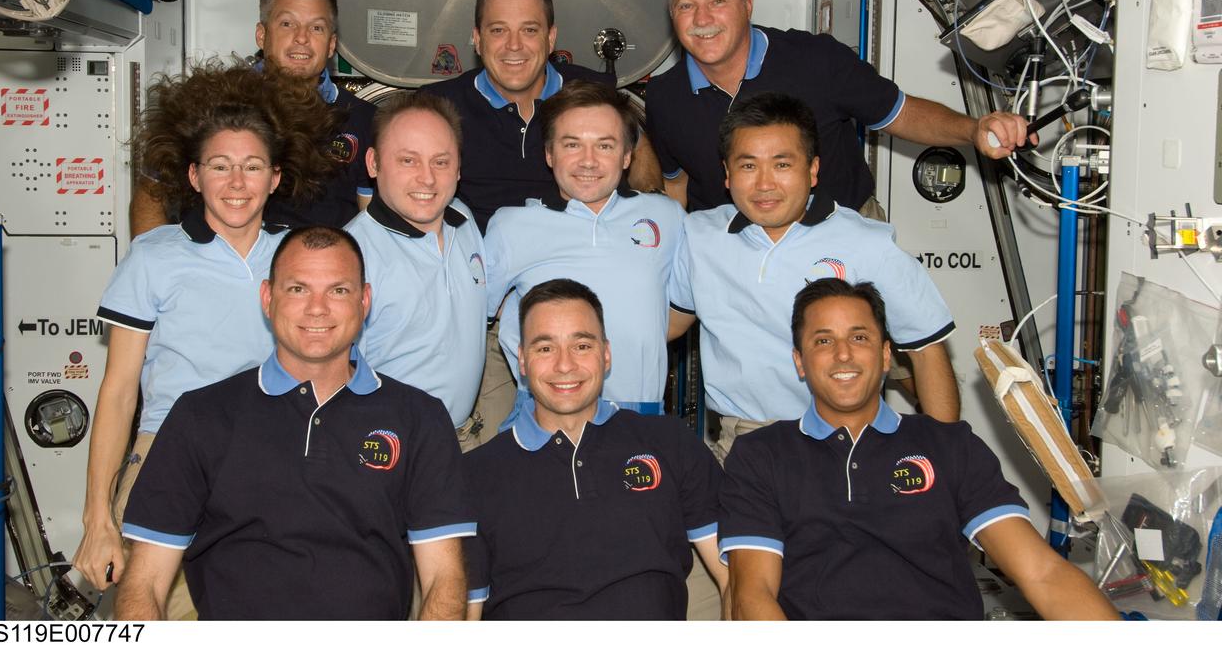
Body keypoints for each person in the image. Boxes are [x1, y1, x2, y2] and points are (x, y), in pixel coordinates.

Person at [72, 67, 335, 615]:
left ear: (275, 177)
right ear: (193, 176)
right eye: (220, 166)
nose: (236, 183)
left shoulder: (301, 256)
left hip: (279, 460)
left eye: (252, 167)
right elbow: (119, 391)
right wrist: (98, 518)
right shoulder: (154, 257)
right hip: (168, 457)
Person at [115, 227, 473, 620]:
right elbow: (144, 583)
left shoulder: (419, 418)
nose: (317, 308)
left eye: (338, 290)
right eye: (298, 289)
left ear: (365, 300)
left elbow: (444, 579)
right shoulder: (201, 416)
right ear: (268, 298)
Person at [719, 278, 1120, 620]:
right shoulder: (760, 455)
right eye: (823, 340)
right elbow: (752, 598)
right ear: (800, 361)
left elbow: (1043, 574)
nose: (843, 354)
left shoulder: (949, 446)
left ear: (885, 354)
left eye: (859, 337)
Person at [669, 92, 959, 461]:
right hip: (741, 444)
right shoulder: (699, 237)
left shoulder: (867, 243)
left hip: (846, 444)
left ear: (813, 169)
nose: (764, 184)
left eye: (782, 165)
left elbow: (927, 350)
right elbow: (668, 324)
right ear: (727, 174)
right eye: (747, 166)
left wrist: (944, 464)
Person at [638, 0, 1029, 214]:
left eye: (717, 1)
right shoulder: (664, 98)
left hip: (842, 240)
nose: (702, 20)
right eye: (686, 5)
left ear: (747, 4)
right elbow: (677, 187)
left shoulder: (816, 60)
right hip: (737, 257)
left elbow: (901, 114)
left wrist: (973, 129)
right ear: (673, 15)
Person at [421, 0, 617, 450]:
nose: (514, 45)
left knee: (590, 454)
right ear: (476, 37)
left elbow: (640, 177)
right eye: (497, 30)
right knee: (492, 457)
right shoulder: (442, 109)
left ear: (551, 38)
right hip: (485, 322)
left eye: (529, 29)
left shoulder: (589, 95)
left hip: (584, 316)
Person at [463, 279, 728, 620]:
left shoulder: (668, 441)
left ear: (606, 354)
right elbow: (465, 614)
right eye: (545, 348)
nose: (564, 365)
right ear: (523, 361)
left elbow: (732, 574)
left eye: (582, 346)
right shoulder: (475, 474)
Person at [484, 80, 685, 415]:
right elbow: (476, 312)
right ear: (549, 154)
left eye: (605, 146)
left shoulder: (666, 217)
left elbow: (680, 312)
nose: (588, 161)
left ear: (626, 155)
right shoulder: (510, 226)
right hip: (545, 414)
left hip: (641, 415)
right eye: (572, 145)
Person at [130, 0, 375, 233]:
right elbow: (152, 192)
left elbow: (372, 221)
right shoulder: (209, 102)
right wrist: (155, 266)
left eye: (317, 28)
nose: (302, 38)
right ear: (261, 35)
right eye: (287, 24)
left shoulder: (362, 119)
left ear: (331, 44)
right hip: (219, 266)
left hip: (316, 269)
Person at [344, 91, 488, 446]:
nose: (427, 179)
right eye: (408, 161)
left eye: (440, 162)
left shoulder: (464, 220)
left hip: (463, 437)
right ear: (373, 163)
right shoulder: (351, 255)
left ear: (458, 167)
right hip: (390, 447)